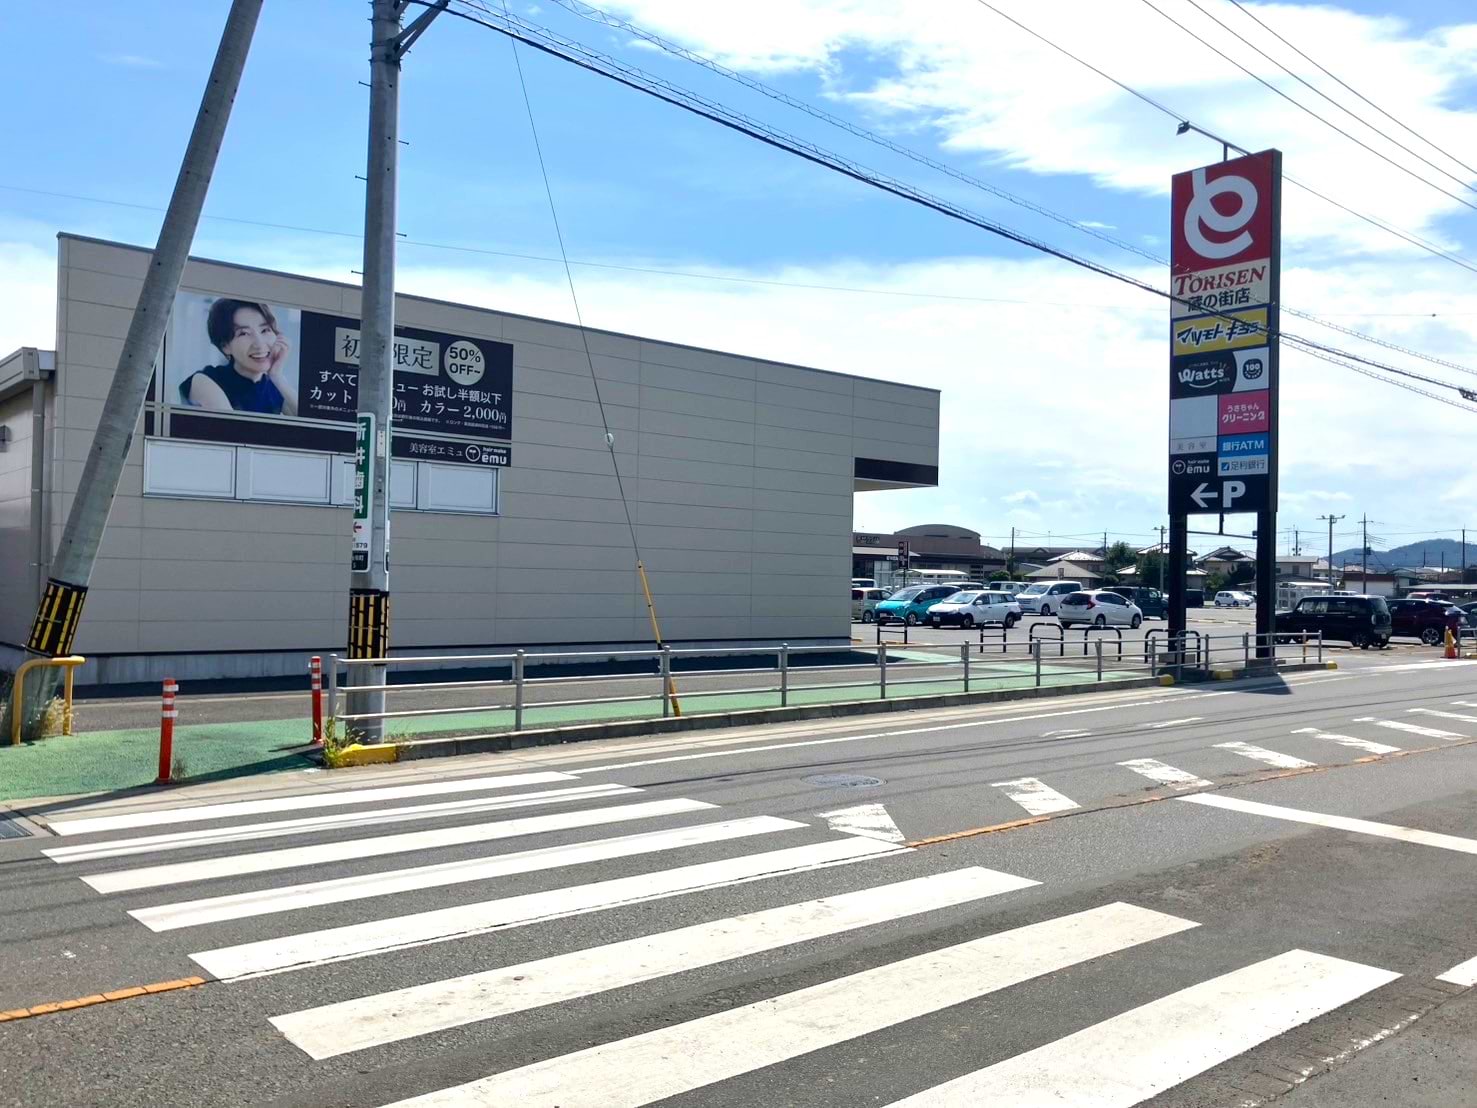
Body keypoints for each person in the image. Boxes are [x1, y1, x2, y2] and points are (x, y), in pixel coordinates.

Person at [178, 299, 298, 415]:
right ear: (225, 346)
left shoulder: (273, 385)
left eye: (265, 330)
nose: (259, 344)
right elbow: (234, 432)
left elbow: (311, 425)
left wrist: (277, 377)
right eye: (244, 333)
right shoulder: (205, 380)